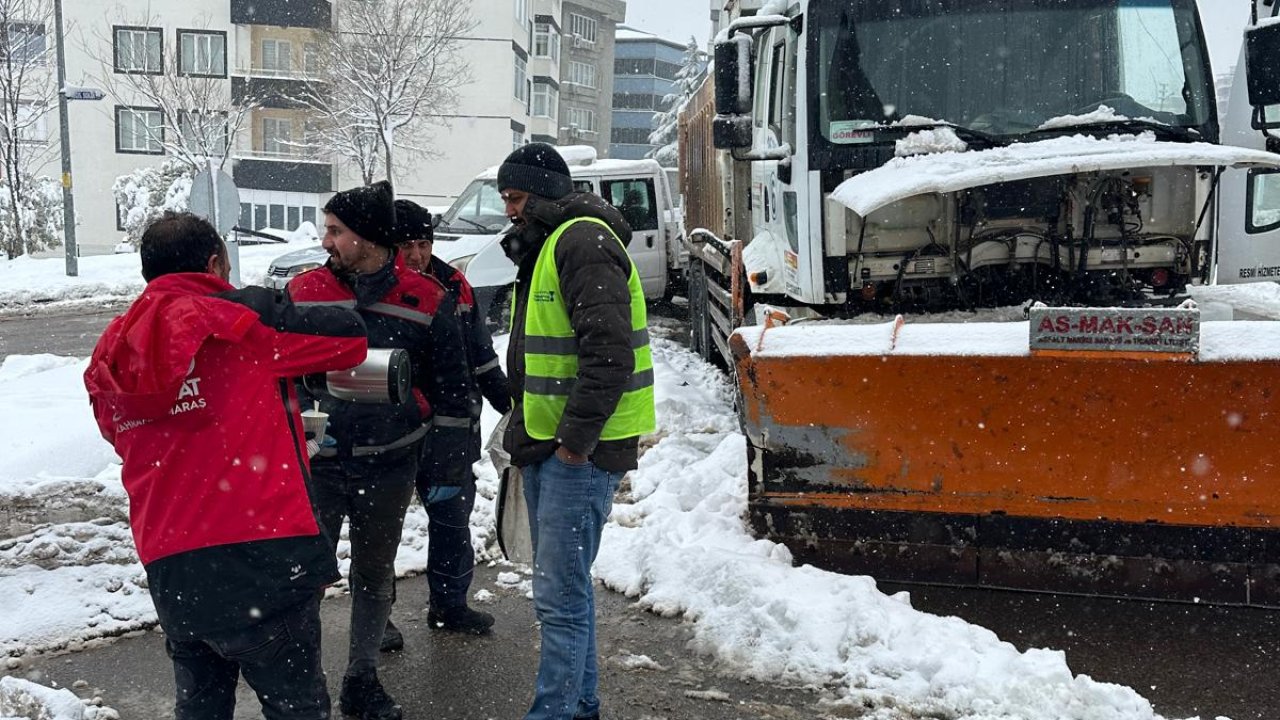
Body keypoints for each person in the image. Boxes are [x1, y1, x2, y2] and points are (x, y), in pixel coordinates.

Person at [83, 212, 369, 720]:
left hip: (174, 567)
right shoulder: (238, 326)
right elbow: (349, 338)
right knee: (297, 708)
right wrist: (265, 303)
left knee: (201, 708)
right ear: (216, 264)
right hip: (264, 557)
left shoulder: (114, 349)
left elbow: (117, 434)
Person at [286, 181, 473, 720]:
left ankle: (361, 679)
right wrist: (304, 411)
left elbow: (451, 388)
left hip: (391, 462)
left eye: (336, 231)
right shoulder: (303, 291)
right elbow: (276, 372)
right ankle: (303, 680)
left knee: (374, 573)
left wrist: (446, 464)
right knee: (305, 577)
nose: (327, 241)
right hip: (318, 465)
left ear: (367, 238)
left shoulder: (426, 297)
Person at [497, 143, 657, 720]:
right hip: (555, 446)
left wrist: (573, 444)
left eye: (515, 199)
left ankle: (556, 713)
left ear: (541, 195)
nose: (511, 213)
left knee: (560, 598)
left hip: (577, 454)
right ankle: (579, 705)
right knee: (568, 592)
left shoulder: (581, 243)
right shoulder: (553, 246)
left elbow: (609, 354)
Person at [379, 200, 512, 649]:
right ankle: (377, 619)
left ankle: (450, 604)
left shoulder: (455, 284)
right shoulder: (373, 288)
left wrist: (507, 401)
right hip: (393, 430)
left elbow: (481, 354)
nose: (415, 256)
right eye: (405, 246)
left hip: (452, 430)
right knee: (382, 529)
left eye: (422, 244)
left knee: (453, 521)